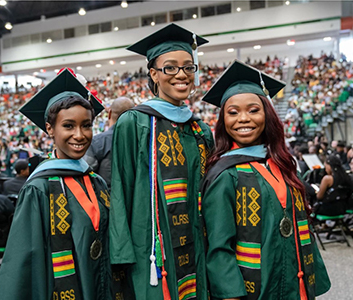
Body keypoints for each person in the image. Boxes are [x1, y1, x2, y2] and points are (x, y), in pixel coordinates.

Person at [200, 60, 330, 300]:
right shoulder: (225, 174)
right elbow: (219, 249)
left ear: (266, 114)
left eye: (253, 110)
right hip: (256, 291)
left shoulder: (282, 164)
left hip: (294, 282)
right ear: (223, 121)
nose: (243, 119)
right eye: (233, 112)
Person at [110, 23, 214, 300]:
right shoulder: (134, 122)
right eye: (170, 67)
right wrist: (122, 253)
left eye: (188, 67)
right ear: (154, 74)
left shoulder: (200, 130)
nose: (181, 74)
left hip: (197, 243)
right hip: (152, 247)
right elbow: (121, 188)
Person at [0, 68, 112, 300]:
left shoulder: (97, 183)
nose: (79, 135)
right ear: (50, 129)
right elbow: (22, 263)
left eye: (86, 125)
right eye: (68, 126)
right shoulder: (39, 188)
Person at [84, 97, 134, 191]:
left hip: (105, 201)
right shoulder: (143, 141)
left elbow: (85, 176)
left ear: (109, 113)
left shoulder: (97, 142)